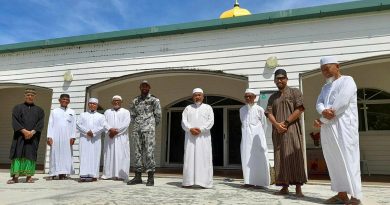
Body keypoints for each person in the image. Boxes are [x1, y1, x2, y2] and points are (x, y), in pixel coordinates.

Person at [314, 56, 362, 205]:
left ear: (337, 66)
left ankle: (355, 197)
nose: (325, 72)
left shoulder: (348, 81)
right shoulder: (325, 87)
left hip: (344, 128)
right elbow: (319, 103)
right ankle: (341, 194)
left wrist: (322, 119)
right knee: (334, 161)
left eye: (327, 68)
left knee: (349, 160)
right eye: (322, 70)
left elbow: (341, 104)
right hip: (328, 129)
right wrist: (322, 112)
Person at [265, 69, 307, 197]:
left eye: (282, 78)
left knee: (295, 156)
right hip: (278, 132)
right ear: (274, 81)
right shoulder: (273, 97)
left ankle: (298, 189)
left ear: (287, 79)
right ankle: (284, 187)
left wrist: (286, 123)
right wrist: (277, 125)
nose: (280, 80)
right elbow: (268, 113)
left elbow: (299, 109)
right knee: (280, 157)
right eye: (277, 78)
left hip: (292, 130)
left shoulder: (295, 92)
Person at [127, 80, 161, 186]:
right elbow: (132, 114)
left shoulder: (154, 100)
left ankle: (150, 177)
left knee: (149, 153)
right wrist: (136, 125)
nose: (144, 88)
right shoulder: (135, 101)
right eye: (142, 86)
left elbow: (158, 115)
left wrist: (151, 126)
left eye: (146, 86)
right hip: (137, 129)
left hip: (149, 129)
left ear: (149, 87)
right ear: (140, 88)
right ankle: (137, 177)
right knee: (137, 153)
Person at [8, 88, 45, 184]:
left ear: (35, 97)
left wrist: (31, 132)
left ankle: (29, 177)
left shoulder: (39, 110)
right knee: (17, 154)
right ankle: (15, 177)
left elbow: (40, 124)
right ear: (25, 96)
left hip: (33, 138)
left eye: (32, 95)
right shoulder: (17, 108)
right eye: (28, 95)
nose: (30, 97)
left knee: (30, 155)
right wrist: (24, 131)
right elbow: (15, 121)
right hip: (19, 136)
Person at [181, 88, 214, 189]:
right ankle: (188, 182)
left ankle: (204, 183)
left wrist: (201, 129)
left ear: (203, 96)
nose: (197, 97)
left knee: (204, 159)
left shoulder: (208, 108)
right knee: (189, 158)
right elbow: (184, 121)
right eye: (195, 95)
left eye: (199, 95)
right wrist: (190, 129)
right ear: (192, 97)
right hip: (190, 138)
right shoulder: (188, 108)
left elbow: (211, 121)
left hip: (203, 138)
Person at [239, 89, 270, 188]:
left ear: (254, 97)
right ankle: (248, 182)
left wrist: (260, 136)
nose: (248, 98)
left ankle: (261, 183)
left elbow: (265, 125)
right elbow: (243, 124)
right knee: (246, 158)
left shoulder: (259, 109)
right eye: (246, 96)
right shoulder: (242, 110)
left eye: (250, 96)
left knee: (259, 159)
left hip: (258, 139)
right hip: (246, 139)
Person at [76, 98, 106, 182]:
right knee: (84, 155)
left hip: (96, 139)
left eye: (94, 104)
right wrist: (87, 131)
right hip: (84, 138)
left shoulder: (101, 116)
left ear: (97, 105)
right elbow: (78, 125)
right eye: (91, 103)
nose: (92, 105)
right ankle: (83, 175)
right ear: (88, 104)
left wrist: (93, 132)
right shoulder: (82, 115)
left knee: (95, 156)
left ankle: (94, 175)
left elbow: (103, 126)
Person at [47, 94, 76, 180]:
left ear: (69, 101)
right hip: (56, 135)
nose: (65, 101)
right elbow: (50, 124)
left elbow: (74, 125)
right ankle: (53, 172)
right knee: (55, 153)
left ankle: (63, 173)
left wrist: (73, 137)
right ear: (59, 100)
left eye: (67, 99)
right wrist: (49, 136)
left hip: (67, 137)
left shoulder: (72, 112)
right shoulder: (54, 111)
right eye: (63, 99)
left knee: (66, 154)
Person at [101, 95, 131, 181]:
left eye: (118, 101)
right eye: (114, 101)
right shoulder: (107, 112)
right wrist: (110, 130)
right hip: (110, 137)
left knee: (122, 155)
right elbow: (104, 123)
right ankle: (108, 174)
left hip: (121, 137)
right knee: (109, 155)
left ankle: (121, 175)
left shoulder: (126, 112)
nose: (116, 102)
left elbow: (126, 124)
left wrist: (115, 132)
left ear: (121, 102)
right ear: (112, 102)